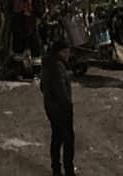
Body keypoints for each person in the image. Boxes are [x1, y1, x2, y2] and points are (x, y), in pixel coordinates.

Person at [41, 41, 75, 176]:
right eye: (65, 52)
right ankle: (68, 170)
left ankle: (56, 168)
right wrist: (68, 106)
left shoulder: (48, 64)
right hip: (60, 109)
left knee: (57, 137)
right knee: (67, 140)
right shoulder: (58, 67)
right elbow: (61, 90)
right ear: (58, 52)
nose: (68, 55)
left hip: (51, 107)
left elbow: (43, 87)